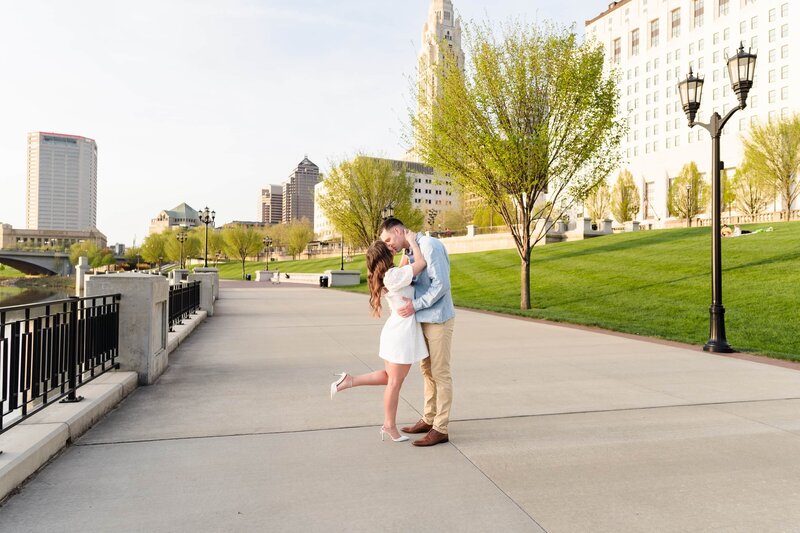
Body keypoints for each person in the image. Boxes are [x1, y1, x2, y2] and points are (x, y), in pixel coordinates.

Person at [330, 232, 429, 443]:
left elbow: (404, 268)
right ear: (384, 257)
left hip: (397, 331)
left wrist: (404, 250)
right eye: (388, 248)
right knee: (394, 382)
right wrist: (412, 242)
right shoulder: (393, 276)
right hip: (401, 332)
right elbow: (420, 263)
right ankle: (389, 425)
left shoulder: (390, 274)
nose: (391, 247)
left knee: (389, 377)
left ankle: (350, 380)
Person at [379, 217, 456, 447]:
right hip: (422, 319)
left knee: (440, 372)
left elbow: (441, 285)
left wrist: (415, 306)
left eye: (388, 239)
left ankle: (440, 428)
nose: (387, 245)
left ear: (399, 230)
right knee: (427, 370)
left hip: (438, 318)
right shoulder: (412, 251)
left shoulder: (430, 246)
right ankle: (428, 418)